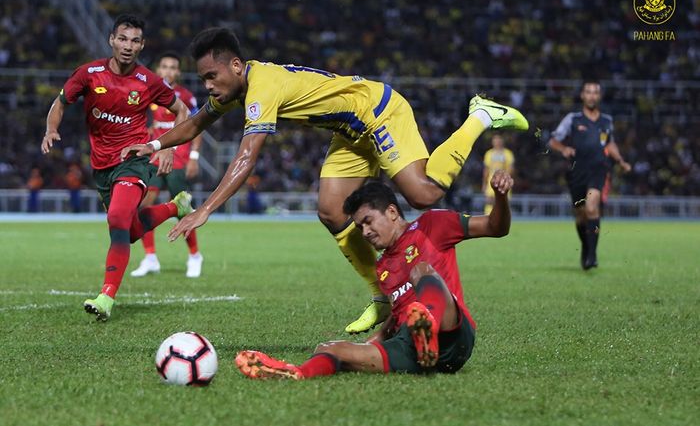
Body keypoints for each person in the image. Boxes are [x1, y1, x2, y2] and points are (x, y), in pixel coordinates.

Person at [121, 27, 528, 333]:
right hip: (351, 132)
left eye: (211, 76)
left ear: (235, 66)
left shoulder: (262, 88)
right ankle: (382, 295)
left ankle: (481, 116)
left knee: (423, 194)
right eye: (203, 79)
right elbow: (193, 124)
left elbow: (246, 158)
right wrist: (153, 143)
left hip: (378, 111)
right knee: (332, 212)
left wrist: (205, 211)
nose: (208, 86)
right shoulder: (238, 87)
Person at [234, 171, 513, 379]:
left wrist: (500, 197)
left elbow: (495, 227)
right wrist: (361, 348)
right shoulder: (383, 269)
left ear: (392, 212)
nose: (365, 232)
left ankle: (428, 325)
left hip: (453, 337)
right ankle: (295, 373)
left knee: (421, 271)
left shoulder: (432, 224)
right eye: (359, 227)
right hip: (412, 348)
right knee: (330, 347)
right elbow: (397, 318)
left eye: (368, 222)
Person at [41, 14, 193, 321]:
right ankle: (175, 208)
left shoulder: (148, 81)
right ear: (112, 40)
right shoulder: (89, 74)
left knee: (118, 218)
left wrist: (168, 146)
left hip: (134, 161)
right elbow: (59, 103)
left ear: (142, 45)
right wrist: (50, 129)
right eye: (122, 39)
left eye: (134, 41)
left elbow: (183, 110)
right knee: (130, 229)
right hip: (101, 167)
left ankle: (106, 297)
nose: (127, 46)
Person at [130, 51, 204, 278]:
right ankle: (150, 257)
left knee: (182, 207)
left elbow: (196, 126)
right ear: (158, 70)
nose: (169, 70)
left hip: (178, 157)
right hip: (154, 158)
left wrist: (194, 157)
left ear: (178, 72)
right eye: (165, 66)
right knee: (142, 205)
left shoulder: (185, 96)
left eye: (173, 67)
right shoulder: (149, 94)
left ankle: (194, 255)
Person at [549, 81, 631, 270]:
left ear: (599, 96)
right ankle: (587, 246)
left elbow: (609, 144)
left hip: (598, 169)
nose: (592, 95)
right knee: (580, 215)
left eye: (595, 92)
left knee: (592, 208)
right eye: (588, 92)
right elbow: (553, 141)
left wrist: (621, 161)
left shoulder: (606, 121)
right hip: (577, 171)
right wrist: (564, 148)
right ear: (582, 96)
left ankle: (592, 256)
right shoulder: (573, 119)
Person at [482, 134, 514, 214]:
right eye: (495, 140)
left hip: (503, 182)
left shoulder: (508, 154)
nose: (497, 142)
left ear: (502, 141)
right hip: (491, 182)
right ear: (492, 142)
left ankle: (502, 222)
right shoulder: (489, 154)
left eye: (499, 140)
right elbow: (486, 170)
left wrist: (506, 179)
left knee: (504, 203)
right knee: (489, 202)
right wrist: (484, 183)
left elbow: (510, 169)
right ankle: (489, 220)